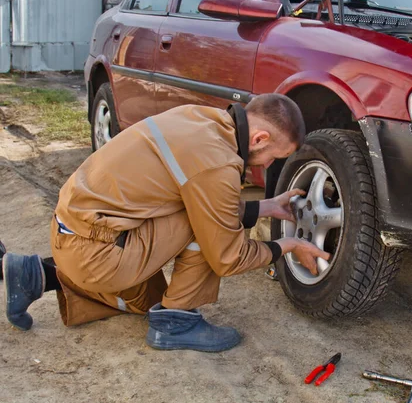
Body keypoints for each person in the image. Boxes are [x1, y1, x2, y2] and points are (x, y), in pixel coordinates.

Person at [2, 94, 330, 352]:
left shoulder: (202, 118)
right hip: (96, 252)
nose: (270, 164)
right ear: (258, 139)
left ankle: (35, 274)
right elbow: (227, 256)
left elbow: (202, 197)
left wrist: (265, 207)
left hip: (74, 231)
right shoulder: (219, 163)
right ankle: (177, 323)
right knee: (210, 232)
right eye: (274, 156)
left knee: (148, 297)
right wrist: (288, 246)